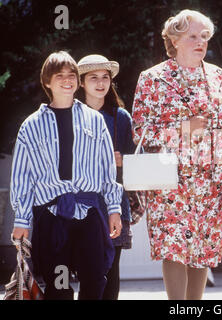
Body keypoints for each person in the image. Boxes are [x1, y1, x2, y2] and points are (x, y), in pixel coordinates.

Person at [131, 9, 222, 300]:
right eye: (193, 36)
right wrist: (181, 129)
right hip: (169, 181)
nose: (201, 42)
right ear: (175, 38)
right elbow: (139, 129)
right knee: (173, 248)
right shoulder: (153, 79)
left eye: (204, 36)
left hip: (213, 183)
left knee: (203, 250)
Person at [10, 51, 123, 300]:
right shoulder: (31, 125)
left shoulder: (94, 121)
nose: (66, 80)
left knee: (95, 280)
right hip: (52, 216)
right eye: (59, 75)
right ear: (47, 82)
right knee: (58, 285)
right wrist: (22, 219)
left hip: (89, 213)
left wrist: (114, 208)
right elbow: (22, 177)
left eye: (71, 75)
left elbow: (107, 169)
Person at [77, 54, 134, 300]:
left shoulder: (121, 117)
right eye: (93, 78)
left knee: (111, 270)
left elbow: (136, 164)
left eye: (105, 78)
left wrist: (123, 161)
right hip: (81, 203)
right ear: (81, 82)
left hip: (114, 205)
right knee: (85, 270)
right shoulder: (71, 115)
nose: (100, 83)